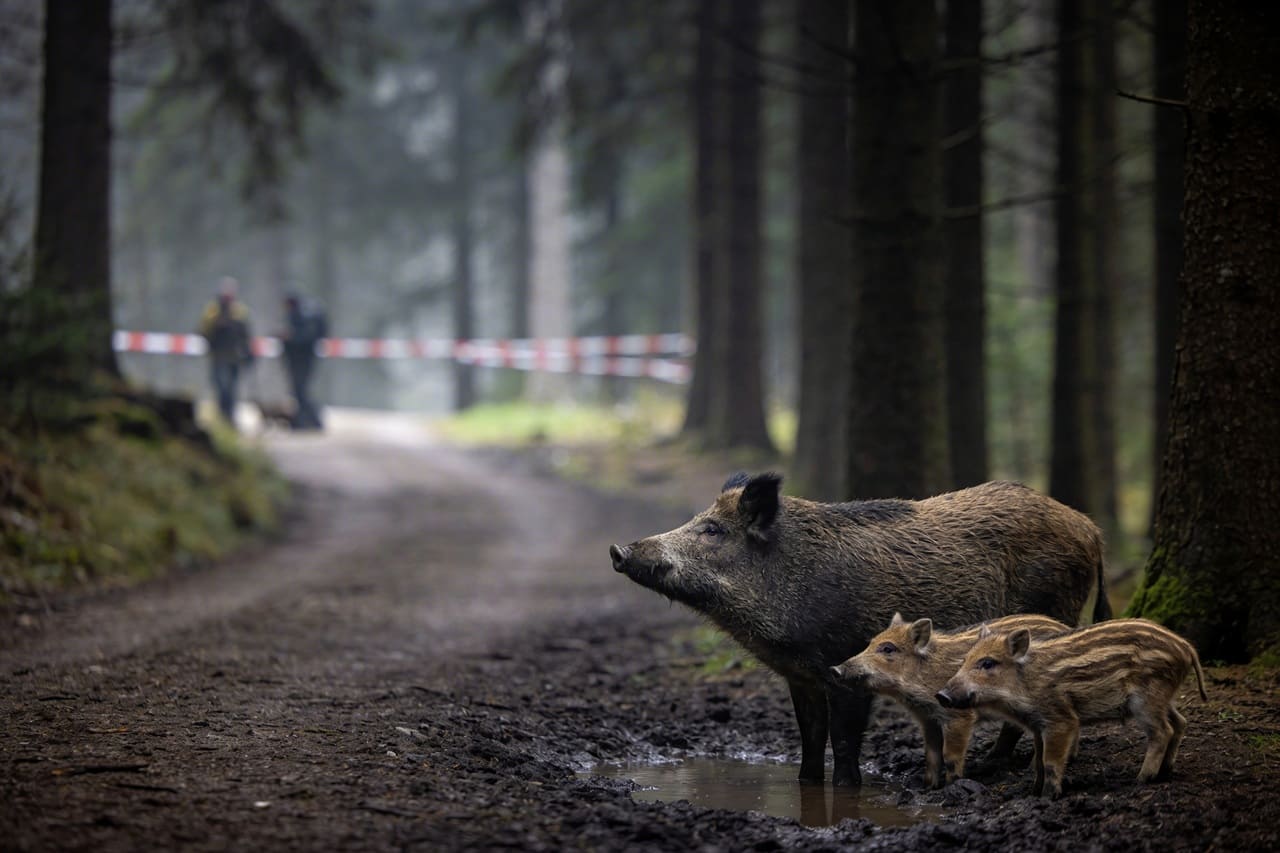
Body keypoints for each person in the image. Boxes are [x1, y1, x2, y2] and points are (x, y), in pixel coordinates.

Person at [198, 277, 254, 426]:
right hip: (218, 356)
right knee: (221, 387)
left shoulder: (239, 311)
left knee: (232, 388)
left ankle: (230, 417)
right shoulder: (212, 311)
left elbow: (246, 335)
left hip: (234, 357)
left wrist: (248, 354)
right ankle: (222, 416)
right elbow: (202, 331)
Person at [280, 292, 327, 430]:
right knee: (299, 391)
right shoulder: (297, 315)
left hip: (303, 359)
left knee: (301, 391)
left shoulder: (302, 316)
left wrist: (290, 338)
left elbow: (305, 338)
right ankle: (304, 420)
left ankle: (312, 419)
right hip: (299, 359)